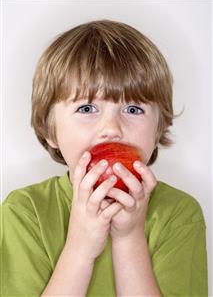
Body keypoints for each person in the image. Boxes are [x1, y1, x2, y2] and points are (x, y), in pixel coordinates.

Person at [1, 19, 208, 296]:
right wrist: (80, 248)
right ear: (50, 130)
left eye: (133, 109)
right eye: (87, 108)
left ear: (160, 127)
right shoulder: (25, 212)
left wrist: (129, 239)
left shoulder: (178, 214)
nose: (112, 129)